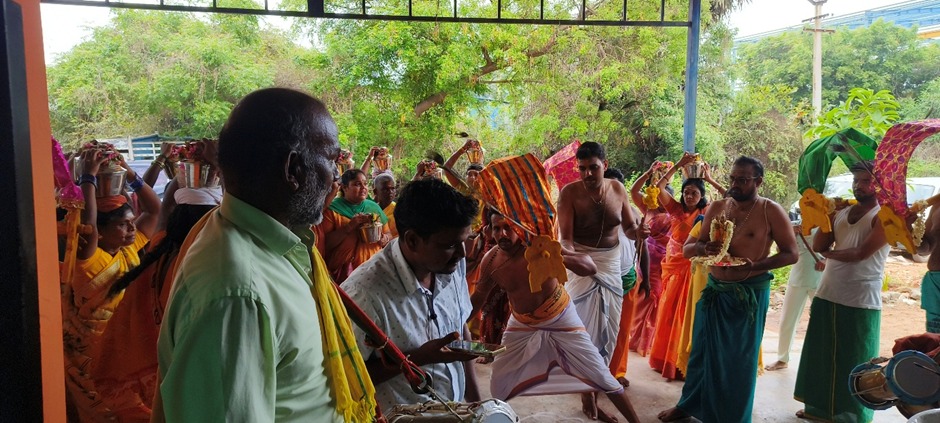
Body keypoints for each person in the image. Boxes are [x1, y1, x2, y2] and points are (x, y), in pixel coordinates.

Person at [154, 88, 375, 422]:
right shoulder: (238, 293)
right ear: (293, 170)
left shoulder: (281, 249)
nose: (334, 179)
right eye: (332, 160)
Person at [658, 155, 798, 423]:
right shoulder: (717, 207)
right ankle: (688, 404)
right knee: (701, 351)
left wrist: (754, 265)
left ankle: (731, 417)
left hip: (747, 294)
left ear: (758, 181)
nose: (735, 184)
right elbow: (690, 247)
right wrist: (703, 248)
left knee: (738, 361)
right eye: (733, 178)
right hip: (714, 290)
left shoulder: (771, 211)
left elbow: (791, 254)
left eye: (743, 180)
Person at [91, 142, 221, 422]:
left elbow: (162, 210)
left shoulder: (160, 247)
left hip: (146, 368)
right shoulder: (205, 261)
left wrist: (184, 173)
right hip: (184, 373)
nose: (130, 228)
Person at [472, 212, 641, 423]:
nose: (503, 234)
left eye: (508, 228)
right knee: (499, 381)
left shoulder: (539, 246)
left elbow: (589, 267)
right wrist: (459, 323)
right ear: (489, 230)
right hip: (522, 322)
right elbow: (478, 297)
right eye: (497, 228)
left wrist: (556, 256)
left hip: (560, 315)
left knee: (602, 376)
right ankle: (498, 417)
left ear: (519, 228)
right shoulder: (490, 261)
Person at [343, 179, 481, 412]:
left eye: (464, 241)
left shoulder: (451, 262)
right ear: (412, 240)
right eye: (449, 245)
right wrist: (415, 359)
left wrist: (477, 406)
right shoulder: (364, 295)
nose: (461, 253)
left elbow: (459, 328)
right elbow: (347, 378)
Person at [63, 148, 161, 422]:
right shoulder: (89, 259)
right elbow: (89, 224)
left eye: (132, 223)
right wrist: (89, 178)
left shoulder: (129, 250)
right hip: (92, 354)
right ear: (103, 231)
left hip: (124, 348)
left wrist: (129, 174)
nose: (131, 230)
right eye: (122, 225)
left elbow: (155, 210)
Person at [556, 141, 647, 422]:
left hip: (610, 265)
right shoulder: (569, 194)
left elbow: (630, 228)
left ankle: (592, 391)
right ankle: (588, 394)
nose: (587, 174)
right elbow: (565, 238)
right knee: (584, 334)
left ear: (604, 165)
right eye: (581, 168)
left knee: (608, 332)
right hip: (581, 264)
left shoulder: (617, 190)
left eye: (593, 168)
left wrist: (640, 231)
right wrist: (575, 258)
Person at [794, 160, 890, 423]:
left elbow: (860, 253)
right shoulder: (843, 212)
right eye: (856, 181)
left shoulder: (884, 216)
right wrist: (826, 215)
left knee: (856, 359)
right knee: (822, 353)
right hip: (829, 290)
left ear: (879, 184)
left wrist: (829, 254)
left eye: (865, 181)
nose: (858, 186)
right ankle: (819, 409)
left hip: (861, 297)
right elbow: (821, 242)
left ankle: (852, 415)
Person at [648, 153, 724, 380]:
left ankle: (685, 361)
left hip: (695, 267)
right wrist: (679, 165)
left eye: (695, 193)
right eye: (686, 192)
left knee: (689, 314)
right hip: (674, 266)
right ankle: (666, 360)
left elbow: (729, 198)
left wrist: (709, 179)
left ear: (702, 196)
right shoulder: (675, 210)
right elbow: (660, 186)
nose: (689, 196)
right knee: (670, 311)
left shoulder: (707, 211)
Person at [605, 167, 650, 387]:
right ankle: (595, 373)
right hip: (602, 280)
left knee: (622, 330)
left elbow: (642, 247)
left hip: (628, 279)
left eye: (617, 186)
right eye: (609, 185)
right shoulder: (594, 214)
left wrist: (648, 280)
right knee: (600, 329)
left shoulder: (634, 214)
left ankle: (617, 373)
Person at [765, 223, 825, 371]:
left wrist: (826, 261)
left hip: (820, 280)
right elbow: (782, 251)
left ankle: (822, 359)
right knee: (787, 320)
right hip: (797, 279)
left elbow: (836, 249)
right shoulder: (794, 227)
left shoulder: (825, 227)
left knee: (822, 322)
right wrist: (790, 234)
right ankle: (782, 358)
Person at [629, 171, 673, 356]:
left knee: (653, 297)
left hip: (662, 262)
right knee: (642, 296)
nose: (662, 201)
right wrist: (648, 173)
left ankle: (647, 340)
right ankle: (635, 336)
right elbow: (633, 190)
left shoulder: (673, 214)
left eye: (666, 198)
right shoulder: (648, 209)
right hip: (644, 258)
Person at [320, 168, 391, 283]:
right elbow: (325, 244)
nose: (363, 188)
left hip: (373, 269)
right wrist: (349, 226)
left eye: (365, 183)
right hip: (344, 275)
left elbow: (388, 234)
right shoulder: (332, 210)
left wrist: (385, 238)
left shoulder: (373, 207)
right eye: (357, 184)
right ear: (344, 187)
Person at [917, 202, 940, 333]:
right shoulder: (937, 203)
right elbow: (925, 248)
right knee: (935, 342)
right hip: (934, 283)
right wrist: (909, 228)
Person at [373, 172, 398, 238]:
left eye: (392, 188)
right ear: (375, 192)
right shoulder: (371, 209)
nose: (390, 192)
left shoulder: (399, 210)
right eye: (385, 189)